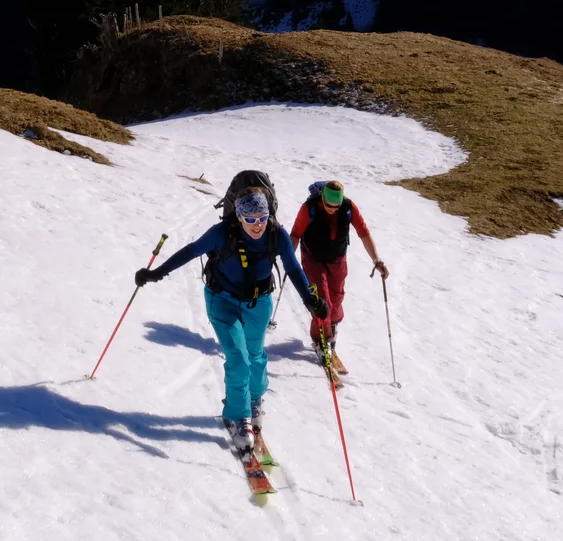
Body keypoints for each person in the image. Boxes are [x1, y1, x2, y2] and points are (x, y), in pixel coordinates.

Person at [135, 170, 328, 461]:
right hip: (222, 301)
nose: (257, 225)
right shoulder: (221, 233)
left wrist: (311, 301)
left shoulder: (276, 234)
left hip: (258, 302)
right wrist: (156, 273)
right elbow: (190, 251)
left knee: (256, 355)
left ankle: (254, 400)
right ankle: (239, 416)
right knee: (238, 359)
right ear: (238, 217)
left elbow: (293, 268)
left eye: (262, 218)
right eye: (250, 219)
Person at [291, 179, 388, 374]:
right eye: (328, 205)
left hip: (337, 259)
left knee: (336, 300)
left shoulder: (349, 208)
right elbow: (295, 234)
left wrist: (376, 260)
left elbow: (364, 233)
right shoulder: (309, 207)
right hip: (313, 259)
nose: (332, 209)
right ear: (322, 198)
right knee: (322, 303)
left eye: (336, 205)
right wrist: (289, 260)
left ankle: (331, 329)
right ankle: (321, 341)